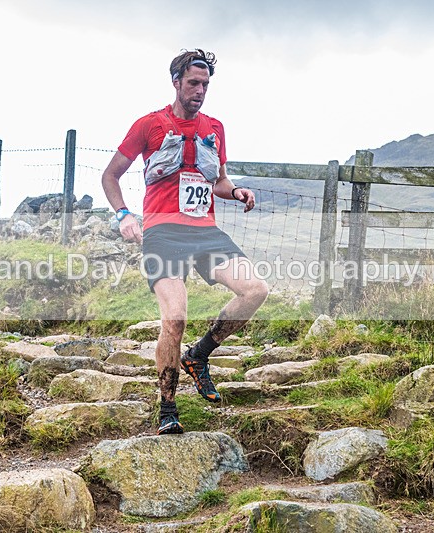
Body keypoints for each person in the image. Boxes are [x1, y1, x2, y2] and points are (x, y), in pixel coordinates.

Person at [102, 49, 268, 435]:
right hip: (162, 232)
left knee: (255, 290)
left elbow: (219, 180)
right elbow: (111, 176)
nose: (200, 90)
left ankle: (199, 355)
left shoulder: (214, 128)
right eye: (193, 83)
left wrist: (237, 191)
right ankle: (168, 408)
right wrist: (124, 214)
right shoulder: (149, 125)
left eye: (206, 84)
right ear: (176, 82)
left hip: (205, 232)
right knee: (174, 317)